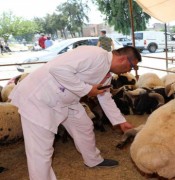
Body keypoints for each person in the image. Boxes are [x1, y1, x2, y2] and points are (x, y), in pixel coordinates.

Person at [9, 45, 141, 180]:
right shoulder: (94, 54)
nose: (128, 71)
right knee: (41, 150)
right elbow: (57, 69)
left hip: (66, 100)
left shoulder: (107, 74)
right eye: (131, 67)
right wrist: (87, 90)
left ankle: (93, 160)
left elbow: (104, 97)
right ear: (124, 59)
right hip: (39, 98)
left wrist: (121, 121)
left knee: (84, 126)